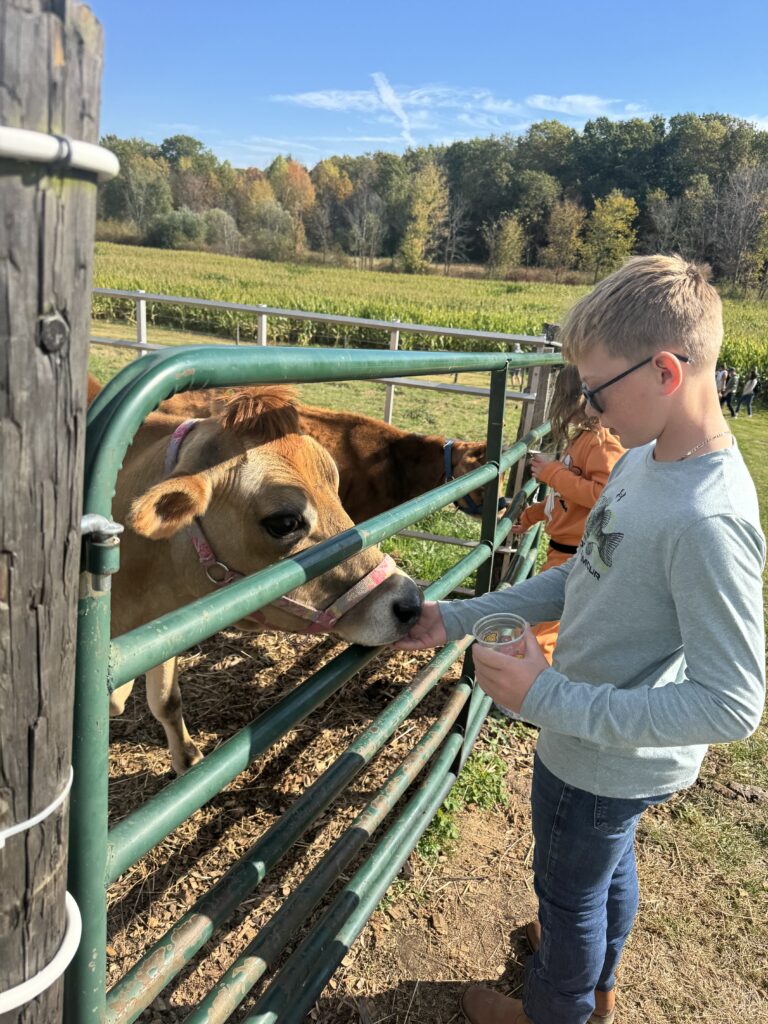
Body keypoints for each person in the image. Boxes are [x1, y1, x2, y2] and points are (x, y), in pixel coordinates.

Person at [394, 255, 765, 1024]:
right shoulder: (642, 462)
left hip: (598, 758)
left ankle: (552, 1008)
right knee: (603, 870)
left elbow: (733, 705)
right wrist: (456, 617)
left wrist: (547, 696)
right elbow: (582, 575)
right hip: (598, 749)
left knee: (568, 891)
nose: (587, 407)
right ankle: (596, 978)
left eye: (594, 388)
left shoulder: (707, 519)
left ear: (665, 370)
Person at [511, 365, 625, 663]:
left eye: (564, 398)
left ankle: (529, 690)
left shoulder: (602, 441)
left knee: (545, 623)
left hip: (577, 554)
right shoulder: (581, 440)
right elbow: (565, 501)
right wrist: (533, 514)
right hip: (561, 550)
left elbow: (603, 495)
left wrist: (553, 472)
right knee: (549, 618)